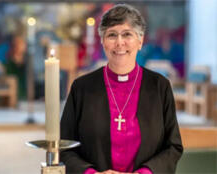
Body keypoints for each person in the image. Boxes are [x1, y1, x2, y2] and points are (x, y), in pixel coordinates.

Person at [60, 4, 183, 174]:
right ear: (103, 42)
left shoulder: (160, 86)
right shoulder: (81, 88)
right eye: (111, 35)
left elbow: (173, 147)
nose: (119, 42)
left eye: (127, 34)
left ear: (140, 41)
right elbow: (65, 147)